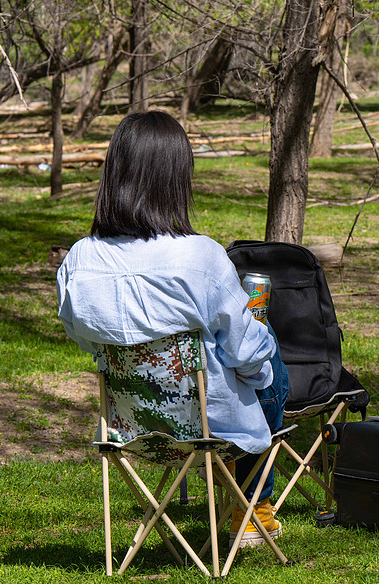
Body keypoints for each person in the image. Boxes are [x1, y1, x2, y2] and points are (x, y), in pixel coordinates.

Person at [56, 110, 288, 548]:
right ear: (175, 179)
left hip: (131, 429)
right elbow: (246, 353)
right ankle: (252, 505)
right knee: (265, 348)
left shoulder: (79, 259)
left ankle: (246, 501)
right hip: (208, 428)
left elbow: (85, 338)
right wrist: (257, 378)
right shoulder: (200, 257)